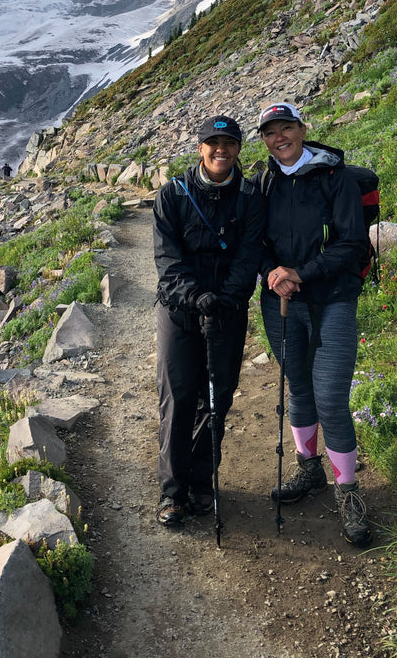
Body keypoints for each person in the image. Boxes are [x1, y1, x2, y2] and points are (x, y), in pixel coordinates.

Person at [256, 101, 372, 546]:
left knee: (330, 397)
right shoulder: (263, 184)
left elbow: (353, 244)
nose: (279, 137)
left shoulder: (334, 177)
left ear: (303, 130)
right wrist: (272, 273)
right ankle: (310, 472)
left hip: (332, 301)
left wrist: (300, 273)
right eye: (270, 132)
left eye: (286, 128)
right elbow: (255, 242)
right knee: (299, 388)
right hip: (280, 302)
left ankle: (348, 491)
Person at [153, 114, 266, 526]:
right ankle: (172, 494)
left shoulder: (251, 198)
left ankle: (202, 483)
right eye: (213, 142)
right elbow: (167, 263)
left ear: (238, 149)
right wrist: (197, 298)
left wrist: (226, 300)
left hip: (226, 313)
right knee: (178, 399)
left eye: (229, 143)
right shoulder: (172, 195)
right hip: (179, 313)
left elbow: (249, 254)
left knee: (217, 401)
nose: (221, 150)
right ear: (200, 148)